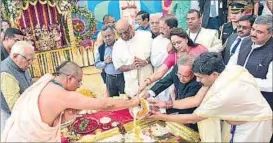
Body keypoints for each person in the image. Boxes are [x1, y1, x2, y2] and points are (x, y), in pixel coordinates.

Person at [1, 61, 140, 142]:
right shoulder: (62, 94)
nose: (80, 86)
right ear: (69, 78)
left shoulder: (47, 81)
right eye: (79, 81)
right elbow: (105, 104)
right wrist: (132, 103)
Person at [148, 52, 272, 142]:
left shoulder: (223, 95)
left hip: (254, 125)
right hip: (241, 119)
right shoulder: (234, 69)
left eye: (200, 77)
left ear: (214, 74)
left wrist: (162, 116)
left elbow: (193, 118)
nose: (197, 80)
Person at [143, 54, 202, 131]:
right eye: (179, 74)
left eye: (186, 76)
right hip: (178, 106)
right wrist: (149, 93)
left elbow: (186, 106)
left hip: (193, 116)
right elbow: (165, 82)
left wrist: (162, 110)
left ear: (194, 73)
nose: (181, 79)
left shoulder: (198, 82)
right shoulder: (178, 68)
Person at [140, 28, 207, 91]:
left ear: (186, 39)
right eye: (174, 44)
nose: (177, 46)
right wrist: (147, 81)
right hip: (181, 89)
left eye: (179, 42)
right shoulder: (173, 55)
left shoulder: (200, 49)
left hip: (201, 86)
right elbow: (160, 72)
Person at [228, 15, 273, 110]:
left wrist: (244, 80)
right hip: (238, 97)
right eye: (253, 29)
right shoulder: (245, 41)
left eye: (259, 32)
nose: (253, 34)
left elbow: (270, 85)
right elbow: (231, 64)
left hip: (261, 105)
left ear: (271, 33)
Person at [112, 19, 153, 96]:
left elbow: (155, 55)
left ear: (131, 27)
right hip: (132, 89)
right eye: (120, 34)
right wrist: (131, 66)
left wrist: (146, 61)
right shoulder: (117, 45)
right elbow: (118, 67)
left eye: (126, 32)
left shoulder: (146, 35)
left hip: (148, 86)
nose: (124, 35)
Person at [1, 41, 35, 132]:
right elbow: (15, 105)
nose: (30, 63)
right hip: (11, 116)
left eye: (32, 60)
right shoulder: (6, 72)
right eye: (28, 60)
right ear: (15, 56)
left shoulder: (20, 65)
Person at [149, 15, 178, 101]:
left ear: (172, 28)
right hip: (163, 79)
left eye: (163, 28)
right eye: (160, 27)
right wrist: (167, 52)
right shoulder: (156, 41)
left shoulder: (182, 38)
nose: (160, 30)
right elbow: (154, 62)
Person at [95, 25, 125, 97]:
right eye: (105, 36)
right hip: (109, 78)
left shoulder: (122, 45)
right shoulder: (101, 49)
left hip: (123, 76)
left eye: (109, 35)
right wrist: (105, 62)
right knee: (113, 99)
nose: (107, 38)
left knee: (126, 97)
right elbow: (96, 64)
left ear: (114, 34)